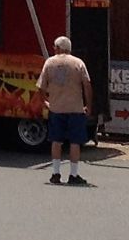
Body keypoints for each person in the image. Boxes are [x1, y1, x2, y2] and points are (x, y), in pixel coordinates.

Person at [38, 35, 93, 186]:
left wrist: (46, 102)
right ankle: (73, 175)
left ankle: (56, 173)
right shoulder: (78, 63)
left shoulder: (50, 62)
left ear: (58, 48)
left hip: (56, 108)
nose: (53, 50)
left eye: (54, 47)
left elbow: (41, 86)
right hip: (75, 109)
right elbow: (87, 85)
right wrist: (88, 105)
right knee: (75, 142)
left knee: (56, 141)